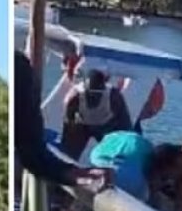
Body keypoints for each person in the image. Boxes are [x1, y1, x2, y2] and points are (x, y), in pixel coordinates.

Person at [14, 50, 113, 192]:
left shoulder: (19, 68)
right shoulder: (72, 99)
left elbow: (31, 148)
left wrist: (73, 173)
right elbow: (68, 131)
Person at [61, 69, 132, 160]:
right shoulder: (73, 97)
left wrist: (122, 145)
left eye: (97, 94)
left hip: (106, 126)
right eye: (90, 94)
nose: (93, 98)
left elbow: (125, 123)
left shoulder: (114, 96)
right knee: (67, 154)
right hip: (83, 125)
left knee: (115, 154)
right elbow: (68, 125)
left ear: (104, 89)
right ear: (84, 89)